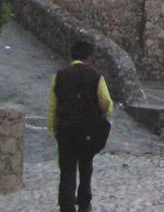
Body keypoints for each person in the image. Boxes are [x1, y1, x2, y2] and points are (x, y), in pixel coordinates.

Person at [48, 40, 113, 212]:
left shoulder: (60, 75)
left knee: (67, 168)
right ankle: (84, 202)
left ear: (72, 56)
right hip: (87, 129)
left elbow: (53, 105)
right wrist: (100, 116)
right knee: (86, 166)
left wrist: (53, 128)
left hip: (66, 128)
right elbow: (106, 101)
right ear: (89, 58)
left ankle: (67, 205)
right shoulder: (96, 75)